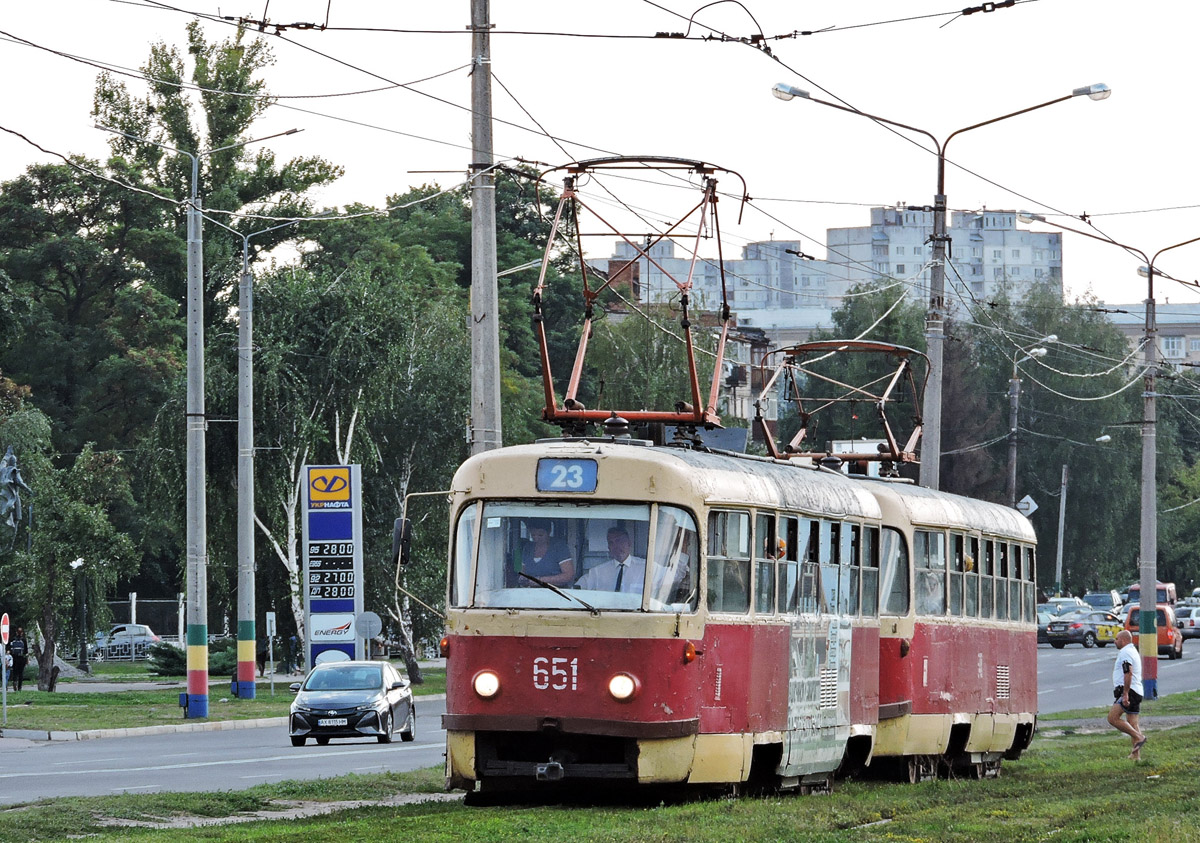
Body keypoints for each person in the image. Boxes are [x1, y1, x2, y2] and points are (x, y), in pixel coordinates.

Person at [1107, 629, 1147, 760]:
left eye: (1117, 639)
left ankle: (1139, 737)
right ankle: (1136, 755)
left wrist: (1125, 694)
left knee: (1112, 718)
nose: (1115, 641)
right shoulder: (1132, 650)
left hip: (1130, 691)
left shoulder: (1125, 653)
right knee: (1133, 724)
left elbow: (1128, 672)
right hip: (1137, 690)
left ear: (1123, 640)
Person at [575, 526, 646, 593]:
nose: (616, 546)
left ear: (629, 543)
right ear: (608, 547)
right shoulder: (598, 572)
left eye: (619, 541)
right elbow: (576, 589)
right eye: (611, 543)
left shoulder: (645, 568)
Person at [518, 520, 575, 587]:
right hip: (531, 591)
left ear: (549, 532)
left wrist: (540, 580)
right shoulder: (528, 548)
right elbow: (523, 572)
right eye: (533, 535)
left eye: (540, 535)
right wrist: (522, 579)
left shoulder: (559, 547)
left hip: (556, 591)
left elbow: (568, 575)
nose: (536, 538)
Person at [7, 626, 29, 692]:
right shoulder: (23, 640)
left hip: (14, 658)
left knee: (15, 672)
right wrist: (27, 659)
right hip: (22, 658)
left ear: (16, 632)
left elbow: (9, 649)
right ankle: (19, 687)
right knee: (21, 673)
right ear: (22, 633)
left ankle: (14, 681)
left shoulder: (12, 639)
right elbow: (26, 651)